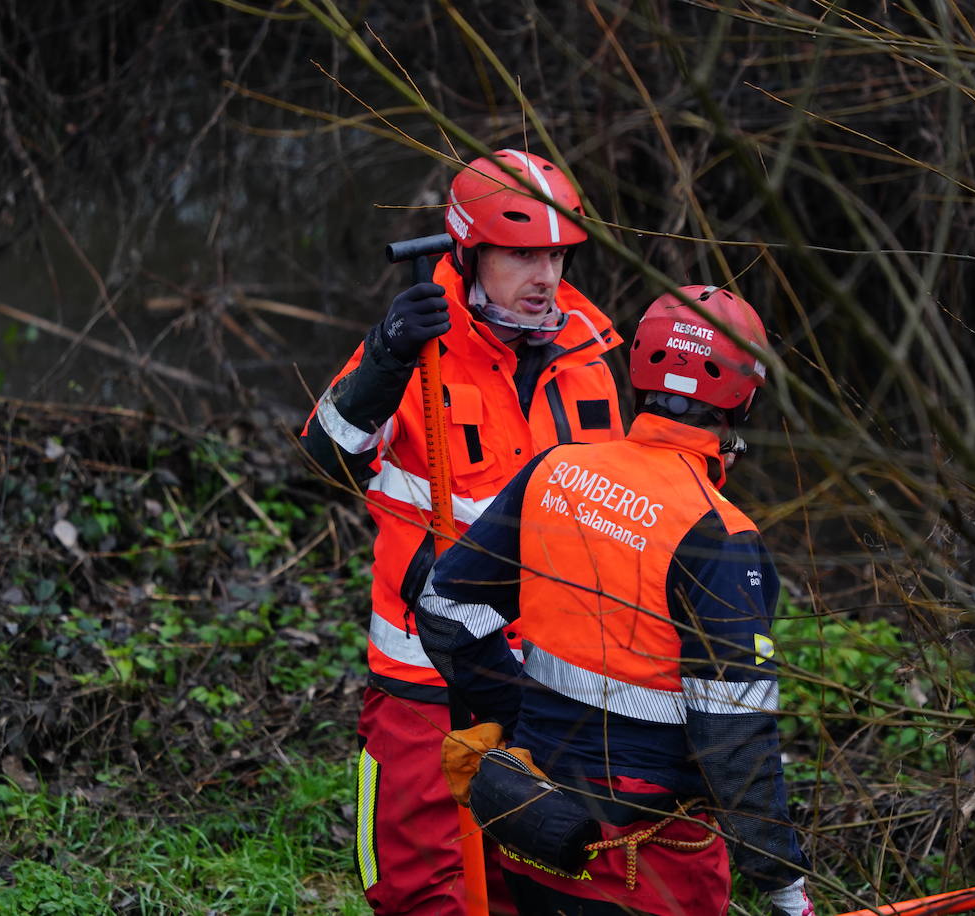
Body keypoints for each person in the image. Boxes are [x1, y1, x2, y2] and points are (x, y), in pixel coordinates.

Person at [416, 285, 814, 916]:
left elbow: (444, 610)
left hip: (534, 818)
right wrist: (784, 884)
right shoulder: (721, 536)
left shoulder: (556, 470)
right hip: (648, 861)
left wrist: (515, 719)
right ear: (744, 395)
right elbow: (734, 735)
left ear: (638, 370)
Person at [300, 148, 626, 914]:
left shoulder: (591, 356)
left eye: (556, 253)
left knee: (539, 879)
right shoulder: (418, 346)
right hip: (426, 680)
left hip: (547, 679)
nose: (545, 274)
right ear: (469, 252)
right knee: (421, 888)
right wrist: (387, 357)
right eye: (522, 254)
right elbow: (325, 458)